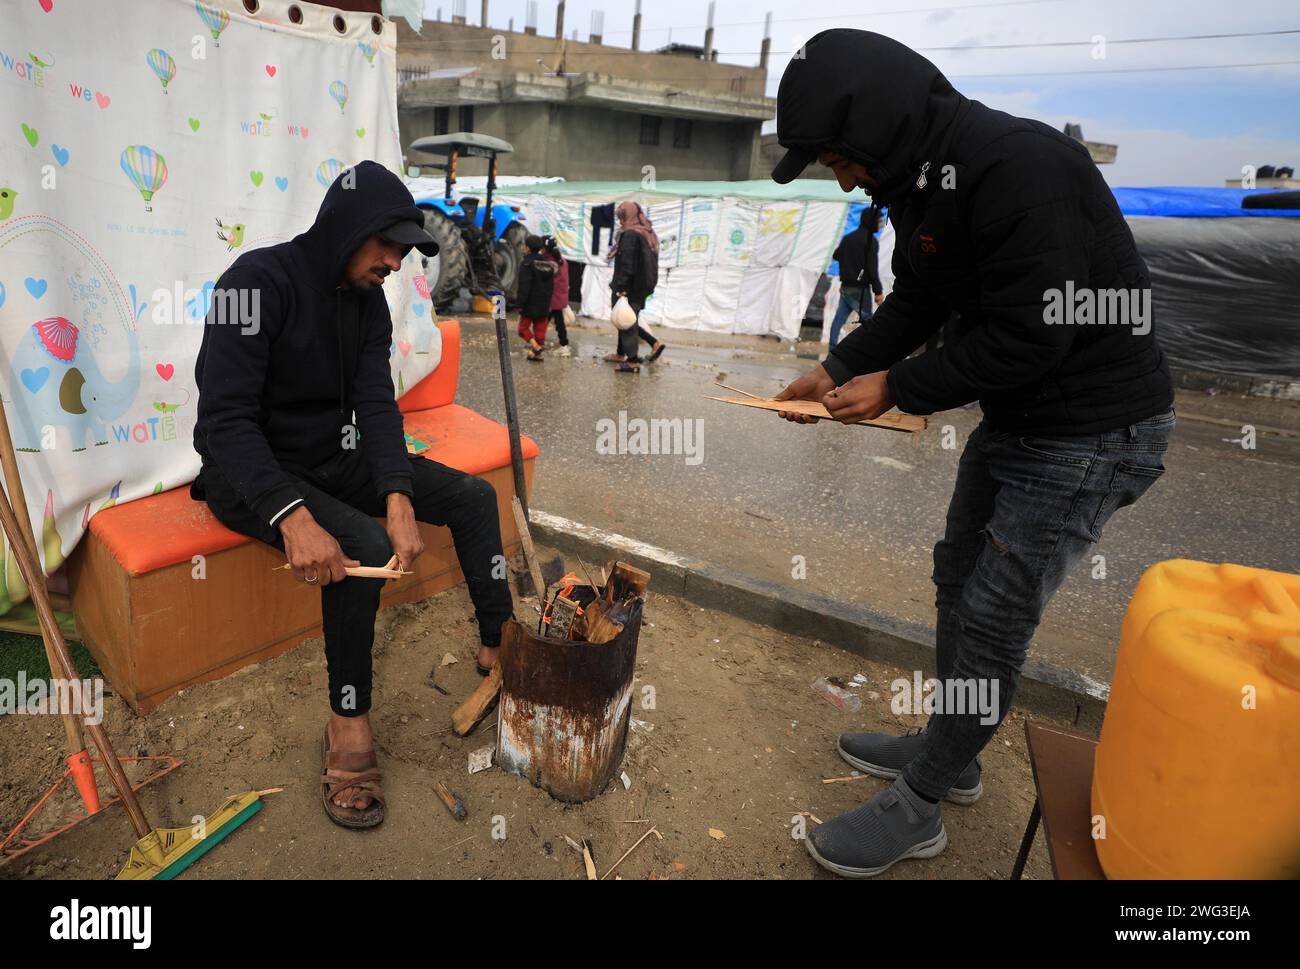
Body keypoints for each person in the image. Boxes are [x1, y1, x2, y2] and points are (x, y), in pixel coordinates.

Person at [770, 30, 1175, 878]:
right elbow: (919, 298)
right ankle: (954, 750)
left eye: (838, 156)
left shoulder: (1017, 166)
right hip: (1027, 418)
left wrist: (899, 388)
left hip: (1096, 429)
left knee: (994, 614)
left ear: (877, 126)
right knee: (957, 572)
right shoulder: (917, 184)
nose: (839, 176)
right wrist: (836, 365)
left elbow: (1035, 332)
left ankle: (921, 803)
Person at [190, 160, 515, 829]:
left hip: (331, 456)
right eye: (386, 245)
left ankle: (499, 647)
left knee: (474, 499)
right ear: (348, 228)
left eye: (403, 250)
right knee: (360, 544)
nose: (394, 262)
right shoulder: (255, 283)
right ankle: (347, 721)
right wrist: (291, 517)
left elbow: (375, 400)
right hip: (247, 472)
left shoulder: (366, 302)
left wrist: (397, 492)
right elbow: (224, 421)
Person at [605, 200, 666, 373]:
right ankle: (630, 350)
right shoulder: (646, 231)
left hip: (630, 285)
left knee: (627, 321)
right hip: (641, 284)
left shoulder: (631, 234)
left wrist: (622, 288)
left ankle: (632, 361)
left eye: (622, 218)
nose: (620, 222)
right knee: (624, 319)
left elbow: (627, 263)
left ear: (628, 216)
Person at [828, 207, 885, 347]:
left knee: (839, 319)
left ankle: (832, 348)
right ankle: (867, 350)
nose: (881, 224)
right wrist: (878, 291)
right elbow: (872, 269)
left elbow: (836, 255)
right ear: (871, 222)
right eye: (879, 221)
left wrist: (850, 260)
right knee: (868, 322)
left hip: (846, 286)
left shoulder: (848, 238)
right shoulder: (871, 241)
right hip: (860, 289)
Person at [515, 234, 557, 362]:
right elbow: (551, 286)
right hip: (544, 303)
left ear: (527, 248)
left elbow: (524, 286)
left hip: (530, 303)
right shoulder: (547, 265)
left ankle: (535, 347)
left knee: (522, 329)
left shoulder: (526, 264)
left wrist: (520, 304)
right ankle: (537, 354)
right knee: (540, 330)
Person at [543, 236, 572, 357]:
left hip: (552, 297)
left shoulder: (550, 263)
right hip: (560, 296)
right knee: (556, 320)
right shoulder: (562, 260)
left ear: (545, 249)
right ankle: (563, 343)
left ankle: (539, 341)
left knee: (546, 320)